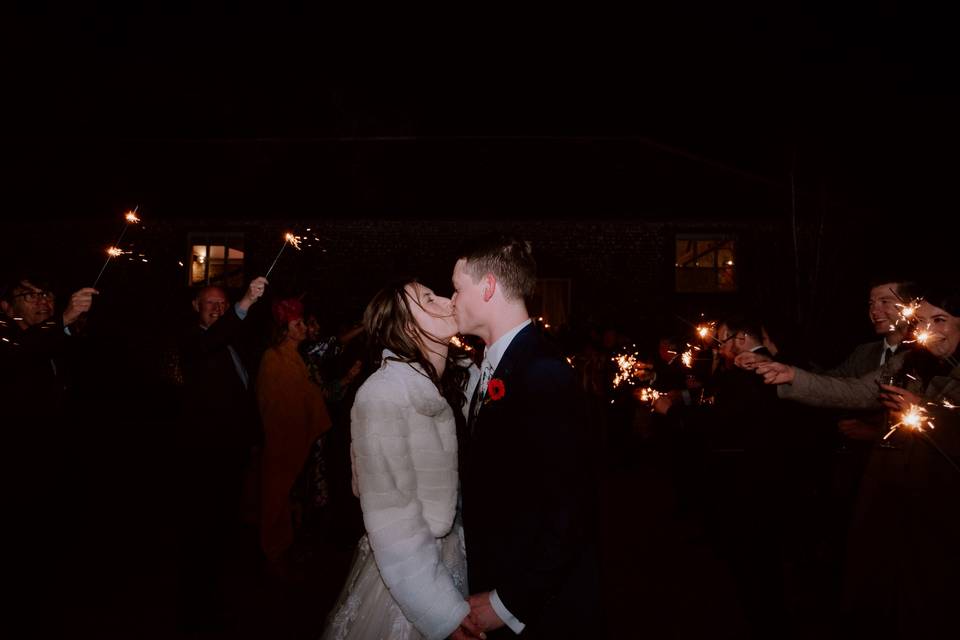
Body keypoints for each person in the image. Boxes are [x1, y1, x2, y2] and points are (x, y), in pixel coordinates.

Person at [739, 282, 960, 639]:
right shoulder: (910, 360)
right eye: (922, 321)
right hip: (893, 498)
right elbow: (855, 389)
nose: (929, 330)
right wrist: (794, 376)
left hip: (941, 514)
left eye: (941, 320)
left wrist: (926, 413)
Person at [451, 236, 601, 638]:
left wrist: (508, 603)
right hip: (500, 568)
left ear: (487, 287)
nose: (452, 299)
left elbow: (570, 509)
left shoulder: (541, 371)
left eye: (457, 288)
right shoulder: (502, 363)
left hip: (539, 605)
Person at [322, 279, 483, 640]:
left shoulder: (452, 378)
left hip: (449, 556)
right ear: (409, 327)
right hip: (411, 577)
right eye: (428, 297)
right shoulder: (382, 394)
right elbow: (393, 520)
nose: (446, 299)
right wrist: (443, 613)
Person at [175, 276, 267, 631]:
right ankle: (194, 611)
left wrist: (254, 437)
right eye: (210, 303)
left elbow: (244, 394)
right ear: (196, 307)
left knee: (222, 529)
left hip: (231, 452)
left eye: (223, 305)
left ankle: (216, 595)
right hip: (202, 458)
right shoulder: (192, 339)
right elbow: (209, 342)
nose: (217, 309)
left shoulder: (234, 341)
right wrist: (244, 303)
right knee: (199, 533)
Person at [256, 296, 332, 573]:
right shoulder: (273, 358)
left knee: (296, 499)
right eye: (297, 324)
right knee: (278, 498)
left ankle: (289, 549)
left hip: (302, 442)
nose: (303, 328)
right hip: (283, 444)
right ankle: (274, 555)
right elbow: (274, 405)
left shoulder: (295, 357)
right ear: (285, 329)